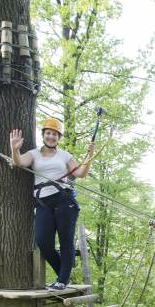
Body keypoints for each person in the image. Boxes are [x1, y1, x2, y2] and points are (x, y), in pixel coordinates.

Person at [9, 118, 95, 290]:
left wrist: (90, 156)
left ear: (58, 137)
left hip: (64, 201)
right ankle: (63, 275)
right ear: (43, 134)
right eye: (48, 133)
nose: (51, 136)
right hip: (43, 203)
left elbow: (80, 173)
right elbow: (19, 162)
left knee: (65, 241)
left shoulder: (65, 156)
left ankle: (62, 280)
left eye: (55, 134)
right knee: (43, 241)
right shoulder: (34, 154)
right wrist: (14, 149)